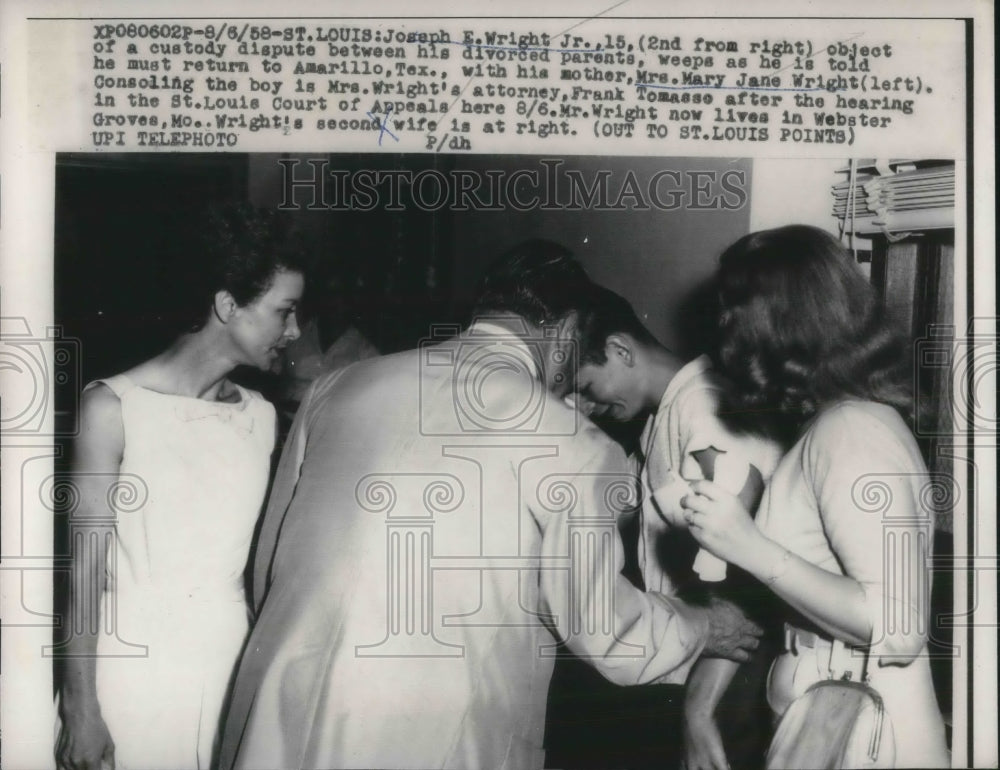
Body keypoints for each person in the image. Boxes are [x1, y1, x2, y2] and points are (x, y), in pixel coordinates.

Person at [217, 240, 763, 770]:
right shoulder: (572, 439)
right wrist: (698, 625)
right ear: (569, 329)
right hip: (431, 732)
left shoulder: (336, 387)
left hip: (280, 707)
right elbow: (605, 632)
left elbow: (268, 568)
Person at [682, 225, 950, 768]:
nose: (725, 332)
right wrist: (697, 705)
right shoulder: (837, 424)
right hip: (836, 713)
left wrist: (749, 545)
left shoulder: (851, 430)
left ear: (770, 322)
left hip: (862, 724)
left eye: (732, 313)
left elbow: (897, 627)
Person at [55, 205, 305, 770]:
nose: (294, 332)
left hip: (228, 665)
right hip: (130, 673)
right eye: (284, 312)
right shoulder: (112, 408)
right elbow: (84, 573)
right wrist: (80, 709)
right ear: (226, 306)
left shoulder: (261, 416)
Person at [547, 285, 781, 770]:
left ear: (620, 350)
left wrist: (699, 706)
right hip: (701, 652)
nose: (588, 406)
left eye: (588, 388)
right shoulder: (662, 418)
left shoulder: (704, 405)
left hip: (728, 667)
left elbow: (742, 563)